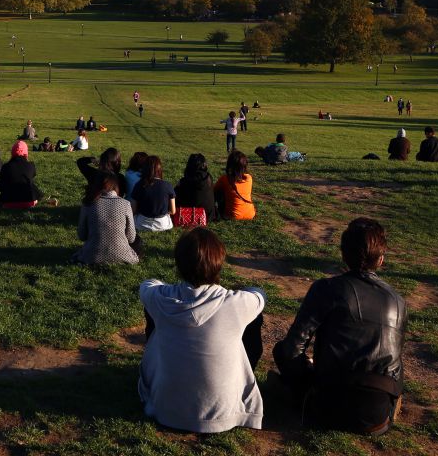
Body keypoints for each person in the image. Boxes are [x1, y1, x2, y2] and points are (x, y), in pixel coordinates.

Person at [274, 218, 406, 436]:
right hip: (377, 417)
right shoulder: (398, 301)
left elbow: (291, 349)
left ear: (343, 254)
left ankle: (304, 395)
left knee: (281, 350)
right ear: (381, 260)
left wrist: (307, 372)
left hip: (326, 406)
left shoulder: (326, 289)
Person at [139, 228, 267, 433]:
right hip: (224, 415)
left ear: (179, 263)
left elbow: (147, 285)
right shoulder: (236, 303)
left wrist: (165, 288)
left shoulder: (160, 299)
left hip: (165, 410)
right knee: (253, 317)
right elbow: (259, 295)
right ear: (218, 264)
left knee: (154, 314)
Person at [72, 172, 140, 265]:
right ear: (116, 185)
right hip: (123, 256)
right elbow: (131, 238)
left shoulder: (88, 204)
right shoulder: (125, 204)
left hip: (91, 256)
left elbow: (82, 235)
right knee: (138, 241)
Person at [131, 155, 176, 232]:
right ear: (160, 169)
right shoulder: (167, 185)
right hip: (163, 224)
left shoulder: (138, 185)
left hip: (142, 223)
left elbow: (134, 210)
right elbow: (173, 211)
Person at [0, 140, 46, 209]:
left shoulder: (6, 166)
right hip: (28, 202)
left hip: (8, 203)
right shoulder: (31, 165)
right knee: (31, 184)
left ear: (12, 152)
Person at [174, 153, 218, 225]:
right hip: (210, 215)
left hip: (196, 215)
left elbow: (174, 196)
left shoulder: (186, 181)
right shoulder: (208, 177)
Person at [215, 150, 256, 220]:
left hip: (233, 216)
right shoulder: (249, 178)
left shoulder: (225, 179)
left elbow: (214, 190)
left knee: (219, 191)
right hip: (251, 214)